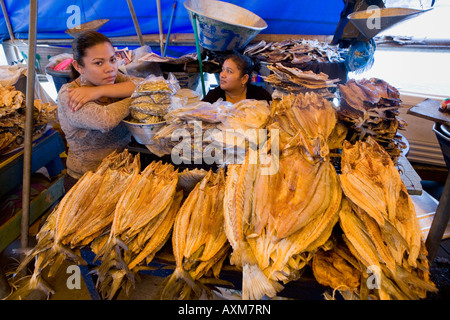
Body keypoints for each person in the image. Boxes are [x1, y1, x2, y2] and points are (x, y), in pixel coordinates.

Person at [57, 31, 142, 189]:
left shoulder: (114, 79)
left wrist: (100, 91)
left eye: (112, 60)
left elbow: (147, 85)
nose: (109, 68)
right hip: (86, 180)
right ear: (78, 66)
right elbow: (105, 120)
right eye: (98, 63)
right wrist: (139, 98)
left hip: (122, 171)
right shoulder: (69, 94)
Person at [202, 52, 272, 104]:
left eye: (229, 71)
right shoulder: (213, 97)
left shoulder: (260, 96)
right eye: (223, 70)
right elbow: (197, 121)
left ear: (244, 79)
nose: (222, 75)